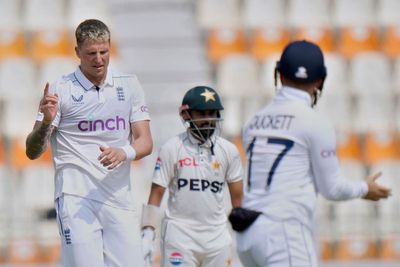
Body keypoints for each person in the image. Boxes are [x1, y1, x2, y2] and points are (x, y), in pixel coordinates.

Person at [230, 40, 392, 267]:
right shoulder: (315, 123)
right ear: (320, 81)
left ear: (279, 74)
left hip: (247, 235)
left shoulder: (254, 122)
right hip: (284, 231)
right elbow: (332, 189)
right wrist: (364, 188)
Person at [25, 19, 153, 267]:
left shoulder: (128, 84)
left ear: (110, 48)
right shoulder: (60, 89)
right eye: (91, 53)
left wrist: (124, 152)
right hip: (76, 198)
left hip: (118, 197)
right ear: (77, 53)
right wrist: (44, 124)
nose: (98, 59)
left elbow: (145, 141)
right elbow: (33, 151)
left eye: (103, 52)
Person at [140, 86, 244, 266]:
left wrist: (243, 232)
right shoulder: (172, 148)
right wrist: (148, 231)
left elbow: (238, 198)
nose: (208, 120)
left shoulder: (229, 150)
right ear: (187, 115)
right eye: (201, 114)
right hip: (180, 235)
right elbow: (156, 193)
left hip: (217, 236)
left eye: (212, 113)